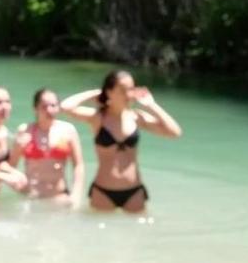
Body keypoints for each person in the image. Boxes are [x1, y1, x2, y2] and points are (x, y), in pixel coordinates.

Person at [61, 70, 182, 213]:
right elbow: (65, 107)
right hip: (103, 191)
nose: (128, 94)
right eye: (123, 90)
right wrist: (96, 93)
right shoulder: (97, 118)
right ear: (110, 92)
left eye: (131, 89)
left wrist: (151, 105)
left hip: (134, 191)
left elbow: (175, 132)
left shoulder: (136, 117)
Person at [10, 88, 85, 208]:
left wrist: (76, 195)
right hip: (32, 198)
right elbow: (11, 166)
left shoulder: (68, 130)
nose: (49, 110)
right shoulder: (25, 130)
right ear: (35, 109)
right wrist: (17, 149)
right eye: (44, 106)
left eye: (53, 105)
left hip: (60, 196)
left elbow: (78, 165)